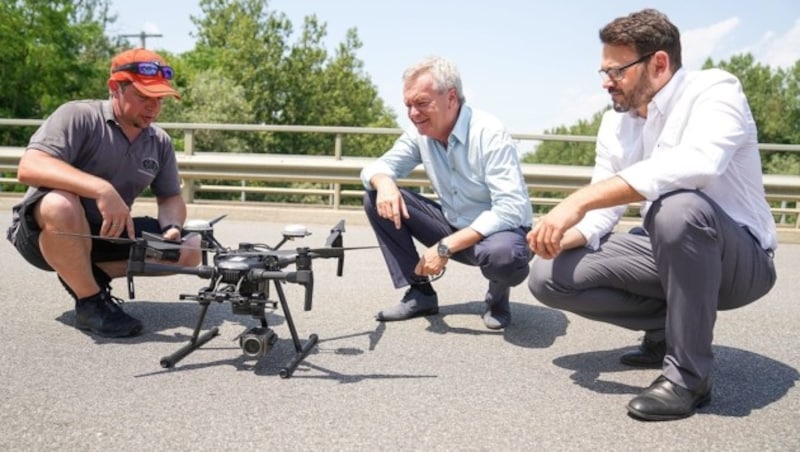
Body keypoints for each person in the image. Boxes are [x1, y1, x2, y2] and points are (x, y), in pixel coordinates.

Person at [527, 9, 777, 421]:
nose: (606, 82)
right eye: (602, 71)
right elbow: (601, 218)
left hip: (741, 260)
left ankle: (688, 377)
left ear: (658, 63)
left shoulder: (715, 90)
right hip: (666, 249)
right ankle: (669, 332)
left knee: (676, 208)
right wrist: (556, 236)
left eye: (616, 71)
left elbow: (699, 165)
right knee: (547, 276)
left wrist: (577, 201)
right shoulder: (616, 124)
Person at [6, 48, 202, 338]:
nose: (153, 108)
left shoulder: (159, 141)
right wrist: (101, 189)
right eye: (143, 97)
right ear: (115, 88)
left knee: (191, 248)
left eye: (159, 99)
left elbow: (170, 197)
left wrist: (171, 226)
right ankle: (91, 303)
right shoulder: (78, 115)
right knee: (61, 204)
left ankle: (89, 276)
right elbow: (30, 166)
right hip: (46, 235)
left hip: (106, 232)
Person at [361, 56, 533, 330]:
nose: (413, 113)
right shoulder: (420, 133)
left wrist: (444, 247)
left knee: (503, 255)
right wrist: (384, 183)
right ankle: (420, 294)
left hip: (500, 234)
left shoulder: (489, 131)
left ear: (451, 98)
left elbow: (510, 209)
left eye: (421, 103)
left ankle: (498, 298)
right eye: (408, 105)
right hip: (452, 225)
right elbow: (377, 167)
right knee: (374, 198)